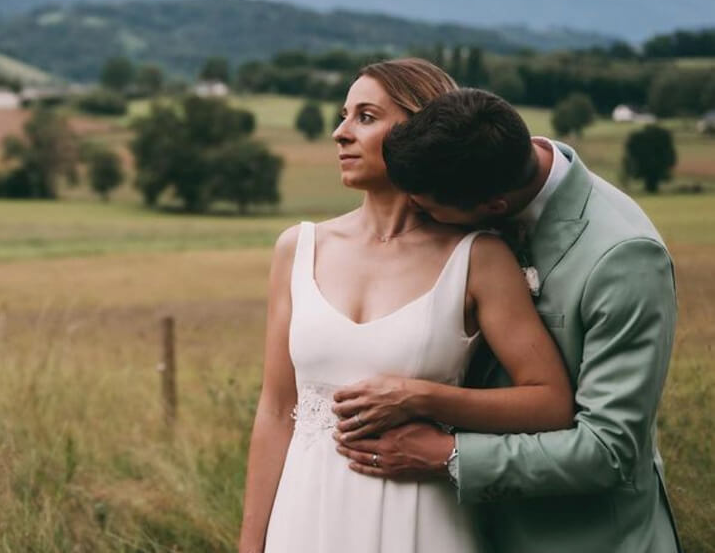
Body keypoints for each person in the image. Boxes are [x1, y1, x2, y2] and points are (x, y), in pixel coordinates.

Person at [238, 60, 576, 553]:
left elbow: (550, 401)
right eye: (343, 115)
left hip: (420, 519)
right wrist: (252, 545)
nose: (340, 133)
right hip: (304, 514)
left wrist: (421, 397)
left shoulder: (477, 258)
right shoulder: (299, 247)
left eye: (365, 117)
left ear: (417, 131)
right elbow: (275, 410)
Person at [336, 88, 681, 552]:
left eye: (427, 208)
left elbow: (609, 452)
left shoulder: (623, 259)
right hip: (465, 531)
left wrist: (448, 456)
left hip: (587, 539)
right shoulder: (479, 162)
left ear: (494, 208)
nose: (418, 217)